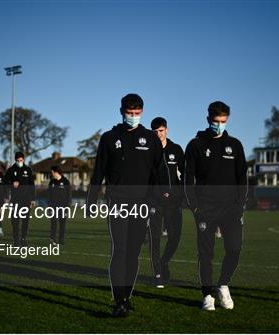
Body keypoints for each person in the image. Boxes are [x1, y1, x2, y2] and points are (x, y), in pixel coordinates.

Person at [86, 93, 163, 317]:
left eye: (137, 113)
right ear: (121, 112)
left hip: (142, 205)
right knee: (119, 250)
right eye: (129, 113)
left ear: (142, 113)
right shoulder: (109, 138)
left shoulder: (150, 139)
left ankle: (127, 296)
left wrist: (156, 200)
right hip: (117, 202)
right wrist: (92, 200)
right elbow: (98, 170)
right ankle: (119, 299)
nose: (133, 117)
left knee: (133, 253)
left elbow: (158, 172)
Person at [183, 101, 248, 311]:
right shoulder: (195, 145)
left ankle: (223, 284)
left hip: (231, 209)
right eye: (215, 121)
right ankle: (207, 294)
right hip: (205, 209)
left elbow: (242, 179)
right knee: (206, 254)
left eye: (223, 121)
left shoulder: (236, 145)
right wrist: (194, 206)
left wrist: (240, 206)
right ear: (208, 119)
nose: (219, 125)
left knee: (234, 249)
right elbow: (187, 179)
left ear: (227, 120)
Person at [148, 117, 185, 288]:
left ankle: (164, 262)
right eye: (155, 132)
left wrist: (182, 193)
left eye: (161, 131)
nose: (158, 134)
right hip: (155, 202)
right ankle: (157, 274)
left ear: (166, 130)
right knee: (154, 239)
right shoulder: (148, 151)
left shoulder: (176, 149)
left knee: (175, 237)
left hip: (174, 203)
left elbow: (185, 173)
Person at [4, 151, 36, 246]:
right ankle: (16, 240)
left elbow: (32, 185)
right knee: (15, 221)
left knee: (25, 220)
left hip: (26, 200)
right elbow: (5, 183)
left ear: (24, 159)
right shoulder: (11, 170)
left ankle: (23, 239)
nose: (19, 162)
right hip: (15, 199)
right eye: (17, 160)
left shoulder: (28, 170)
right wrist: (12, 184)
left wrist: (33, 199)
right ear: (15, 160)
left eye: (21, 160)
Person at [48, 165, 71, 246]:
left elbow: (69, 195)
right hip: (53, 207)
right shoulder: (51, 182)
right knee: (53, 223)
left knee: (62, 224)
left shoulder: (66, 182)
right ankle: (53, 239)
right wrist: (49, 207)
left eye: (52, 172)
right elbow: (49, 195)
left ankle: (61, 239)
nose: (51, 174)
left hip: (63, 207)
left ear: (56, 172)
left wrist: (67, 207)